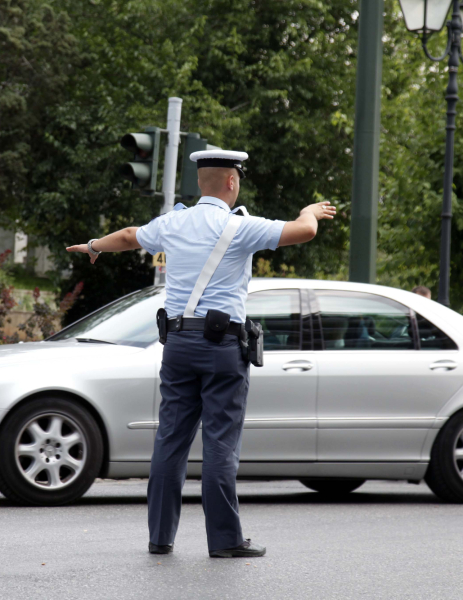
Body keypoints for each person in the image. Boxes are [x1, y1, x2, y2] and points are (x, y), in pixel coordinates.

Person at [67, 149, 335, 558]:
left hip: (176, 346)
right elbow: (304, 231)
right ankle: (225, 541)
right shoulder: (241, 227)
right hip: (222, 347)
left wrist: (92, 246)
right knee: (220, 445)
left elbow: (126, 236)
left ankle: (160, 538)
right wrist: (310, 211)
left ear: (200, 183)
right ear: (231, 182)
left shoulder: (172, 223)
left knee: (170, 440)